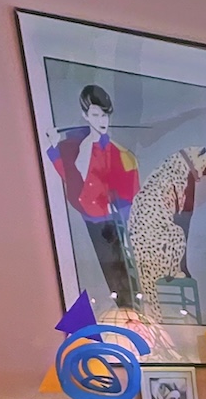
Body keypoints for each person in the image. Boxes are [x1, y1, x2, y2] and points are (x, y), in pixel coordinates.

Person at [48, 84, 140, 310]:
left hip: (112, 220)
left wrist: (121, 212)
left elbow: (130, 189)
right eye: (96, 115)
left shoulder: (116, 151)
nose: (102, 120)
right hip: (89, 217)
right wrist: (52, 149)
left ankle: (132, 314)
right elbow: (71, 178)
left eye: (105, 115)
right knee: (103, 273)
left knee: (123, 273)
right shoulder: (76, 147)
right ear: (85, 116)